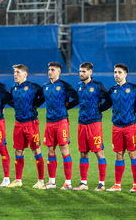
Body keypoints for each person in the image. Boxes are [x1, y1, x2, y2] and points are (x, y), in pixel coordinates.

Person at [100, 63, 136, 192]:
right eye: (115, 72)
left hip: (130, 126)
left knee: (132, 154)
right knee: (119, 155)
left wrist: (135, 111)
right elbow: (107, 104)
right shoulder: (112, 90)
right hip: (116, 127)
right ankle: (117, 185)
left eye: (119, 72)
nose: (117, 75)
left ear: (125, 74)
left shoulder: (134, 88)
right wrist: (96, 110)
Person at [39, 62, 78, 190]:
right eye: (49, 69)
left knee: (64, 151)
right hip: (49, 122)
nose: (50, 72)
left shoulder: (64, 86)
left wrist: (68, 107)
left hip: (61, 122)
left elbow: (77, 98)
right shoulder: (45, 87)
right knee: (50, 151)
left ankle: (68, 182)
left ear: (58, 72)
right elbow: (38, 101)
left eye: (53, 69)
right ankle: (51, 182)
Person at [6, 64, 45, 188]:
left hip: (31, 124)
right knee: (18, 150)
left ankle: (40, 180)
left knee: (36, 150)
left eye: (17, 72)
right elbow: (12, 101)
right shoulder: (13, 88)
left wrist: (34, 105)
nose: (15, 75)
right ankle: (18, 180)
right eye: (14, 72)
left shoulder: (34, 87)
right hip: (18, 124)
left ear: (25, 74)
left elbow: (43, 97)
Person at [73, 62, 108, 191]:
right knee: (83, 153)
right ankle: (83, 183)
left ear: (90, 72)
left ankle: (102, 183)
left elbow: (109, 98)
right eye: (80, 71)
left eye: (83, 71)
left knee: (99, 152)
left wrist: (101, 109)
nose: (81, 74)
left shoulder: (98, 85)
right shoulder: (79, 86)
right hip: (82, 123)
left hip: (94, 123)